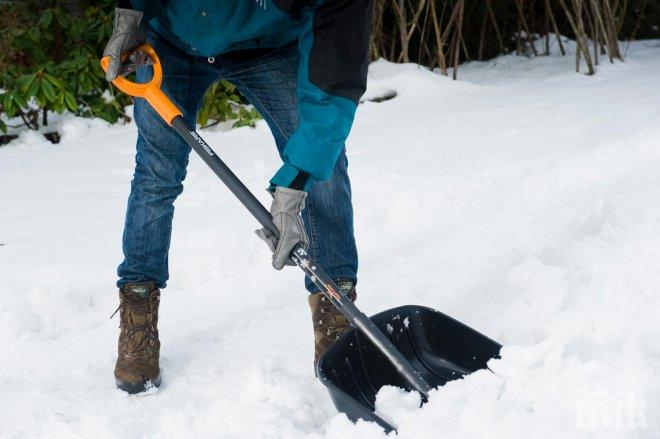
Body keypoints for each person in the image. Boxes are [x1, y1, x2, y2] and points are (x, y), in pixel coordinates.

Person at [103, 0, 374, 394]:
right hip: (173, 43)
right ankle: (138, 312)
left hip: (268, 46)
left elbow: (333, 80)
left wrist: (296, 180)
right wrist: (131, 17)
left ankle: (336, 311)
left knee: (325, 173)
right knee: (155, 176)